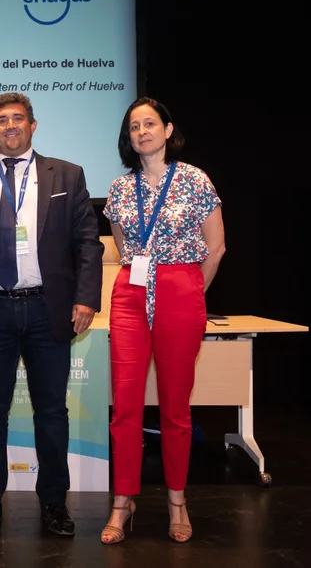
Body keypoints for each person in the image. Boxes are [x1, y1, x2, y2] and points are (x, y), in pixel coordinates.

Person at [0, 92, 104, 537]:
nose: (9, 126)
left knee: (52, 411)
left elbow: (88, 242)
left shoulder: (67, 173)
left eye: (17, 119)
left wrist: (86, 298)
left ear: (33, 125)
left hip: (49, 309)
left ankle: (54, 504)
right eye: (0, 121)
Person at [100, 97, 225, 544]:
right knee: (126, 404)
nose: (142, 132)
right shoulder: (119, 188)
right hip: (131, 294)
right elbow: (121, 246)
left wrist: (190, 290)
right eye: (134, 127)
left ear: (168, 130)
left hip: (179, 289)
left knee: (175, 407)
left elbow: (216, 247)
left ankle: (177, 501)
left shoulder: (194, 179)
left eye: (150, 124)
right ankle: (123, 501)